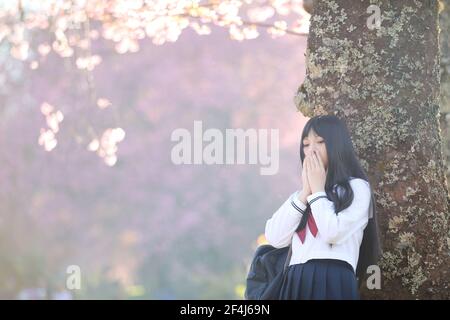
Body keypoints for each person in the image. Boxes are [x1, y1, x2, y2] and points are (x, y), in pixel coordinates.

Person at [265, 114, 382, 300]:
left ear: (337, 146)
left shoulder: (357, 188)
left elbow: (332, 233)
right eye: (306, 144)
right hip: (295, 280)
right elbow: (275, 237)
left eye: (320, 142)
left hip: (334, 277)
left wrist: (318, 191)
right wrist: (305, 193)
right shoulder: (301, 197)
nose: (311, 150)